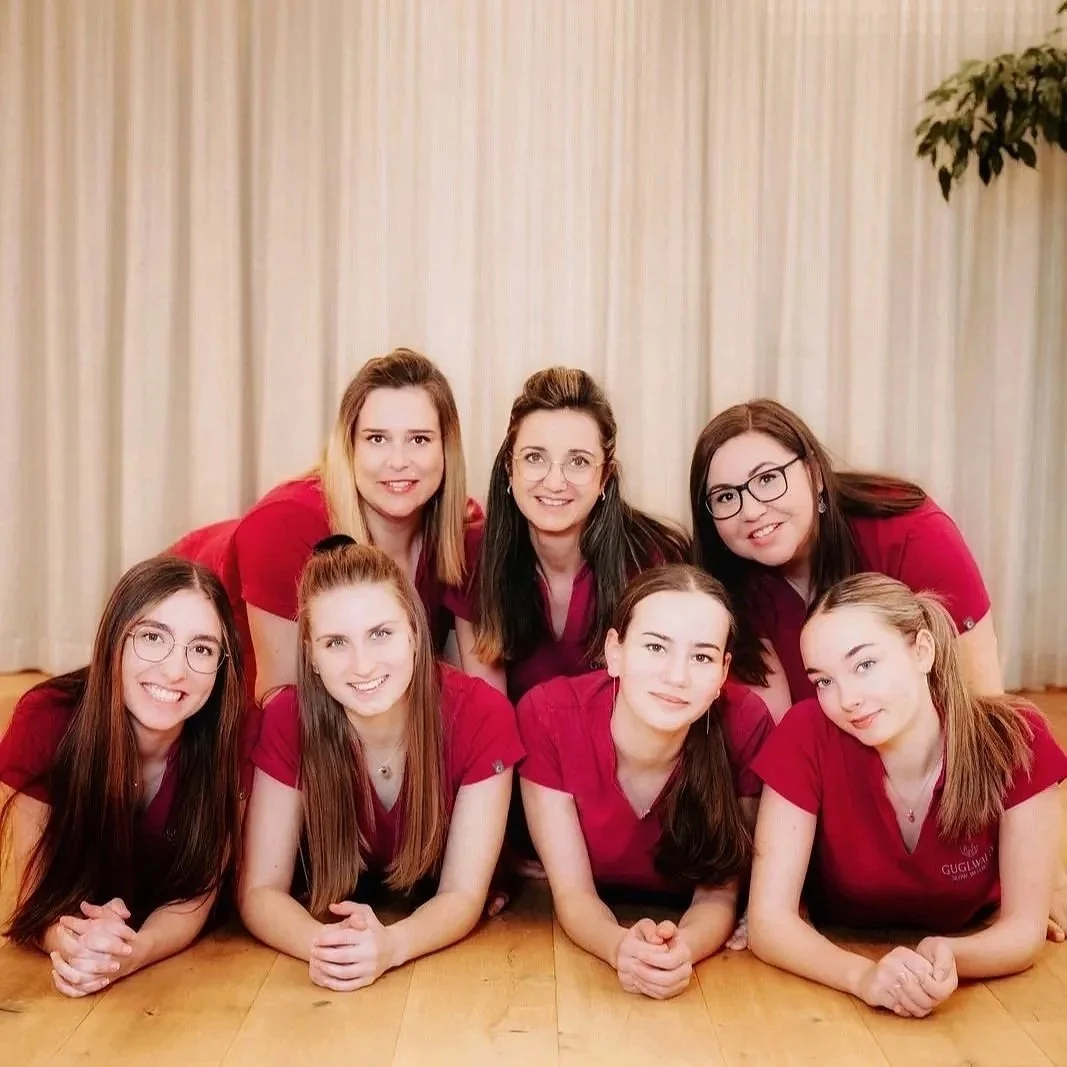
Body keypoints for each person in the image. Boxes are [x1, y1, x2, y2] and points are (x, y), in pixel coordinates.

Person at [747, 573, 1067, 1018]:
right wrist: (864, 977)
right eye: (823, 681)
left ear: (922, 651)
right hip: (836, 967)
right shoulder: (805, 733)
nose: (847, 699)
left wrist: (946, 955)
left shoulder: (1015, 739)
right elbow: (768, 923)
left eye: (864, 665)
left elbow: (1024, 931)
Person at [238, 538, 523, 991]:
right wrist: (328, 948)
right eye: (335, 643)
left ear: (413, 631)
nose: (362, 664)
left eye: (381, 633)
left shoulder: (481, 714)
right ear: (310, 655)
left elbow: (463, 894)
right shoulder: (287, 721)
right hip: (334, 916)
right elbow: (259, 892)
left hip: (444, 939)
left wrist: (390, 947)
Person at [517, 565, 773, 999]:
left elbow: (718, 894)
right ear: (615, 651)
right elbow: (574, 894)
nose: (677, 676)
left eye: (702, 657)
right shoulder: (549, 714)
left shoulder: (745, 723)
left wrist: (680, 952)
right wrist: (622, 949)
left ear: (723, 672)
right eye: (656, 647)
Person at [171, 348, 482, 704]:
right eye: (377, 439)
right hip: (210, 693)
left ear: (447, 449)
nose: (399, 461)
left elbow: (464, 693)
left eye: (419, 440)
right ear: (348, 447)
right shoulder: (284, 527)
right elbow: (280, 703)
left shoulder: (464, 529)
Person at [0, 557, 246, 998]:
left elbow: (196, 895)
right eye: (153, 638)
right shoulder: (47, 719)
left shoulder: (232, 731)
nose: (175, 670)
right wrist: (74, 945)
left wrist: (134, 952)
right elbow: (32, 890)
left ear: (222, 666)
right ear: (114, 639)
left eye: (202, 649)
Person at [689, 398, 1002, 718]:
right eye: (726, 496)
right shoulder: (731, 584)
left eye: (768, 479)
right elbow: (775, 739)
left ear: (816, 475)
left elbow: (985, 704)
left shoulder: (913, 534)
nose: (752, 511)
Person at [460, 366, 690, 704]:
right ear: (510, 466)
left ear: (605, 477)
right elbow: (490, 713)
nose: (555, 482)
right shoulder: (474, 552)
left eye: (578, 462)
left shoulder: (656, 559)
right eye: (535, 457)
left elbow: (662, 706)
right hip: (517, 753)